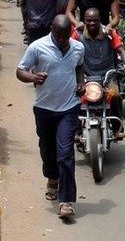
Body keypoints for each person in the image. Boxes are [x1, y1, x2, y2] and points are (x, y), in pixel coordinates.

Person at [16, 15, 85, 219]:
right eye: (59, 36)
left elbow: (79, 66)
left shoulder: (77, 47)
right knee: (47, 151)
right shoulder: (38, 47)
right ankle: (52, 178)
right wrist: (33, 77)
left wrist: (80, 82)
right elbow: (20, 71)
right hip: (44, 108)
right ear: (51, 30)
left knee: (66, 153)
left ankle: (65, 201)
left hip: (69, 107)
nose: (63, 40)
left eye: (66, 36)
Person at [71, 7, 125, 138]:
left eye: (94, 21)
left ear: (100, 20)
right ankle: (77, 131)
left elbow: (121, 50)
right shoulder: (77, 34)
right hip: (85, 76)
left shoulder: (109, 33)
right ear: (84, 20)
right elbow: (69, 52)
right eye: (88, 21)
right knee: (76, 99)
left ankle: (117, 129)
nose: (91, 23)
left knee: (115, 96)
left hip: (107, 76)